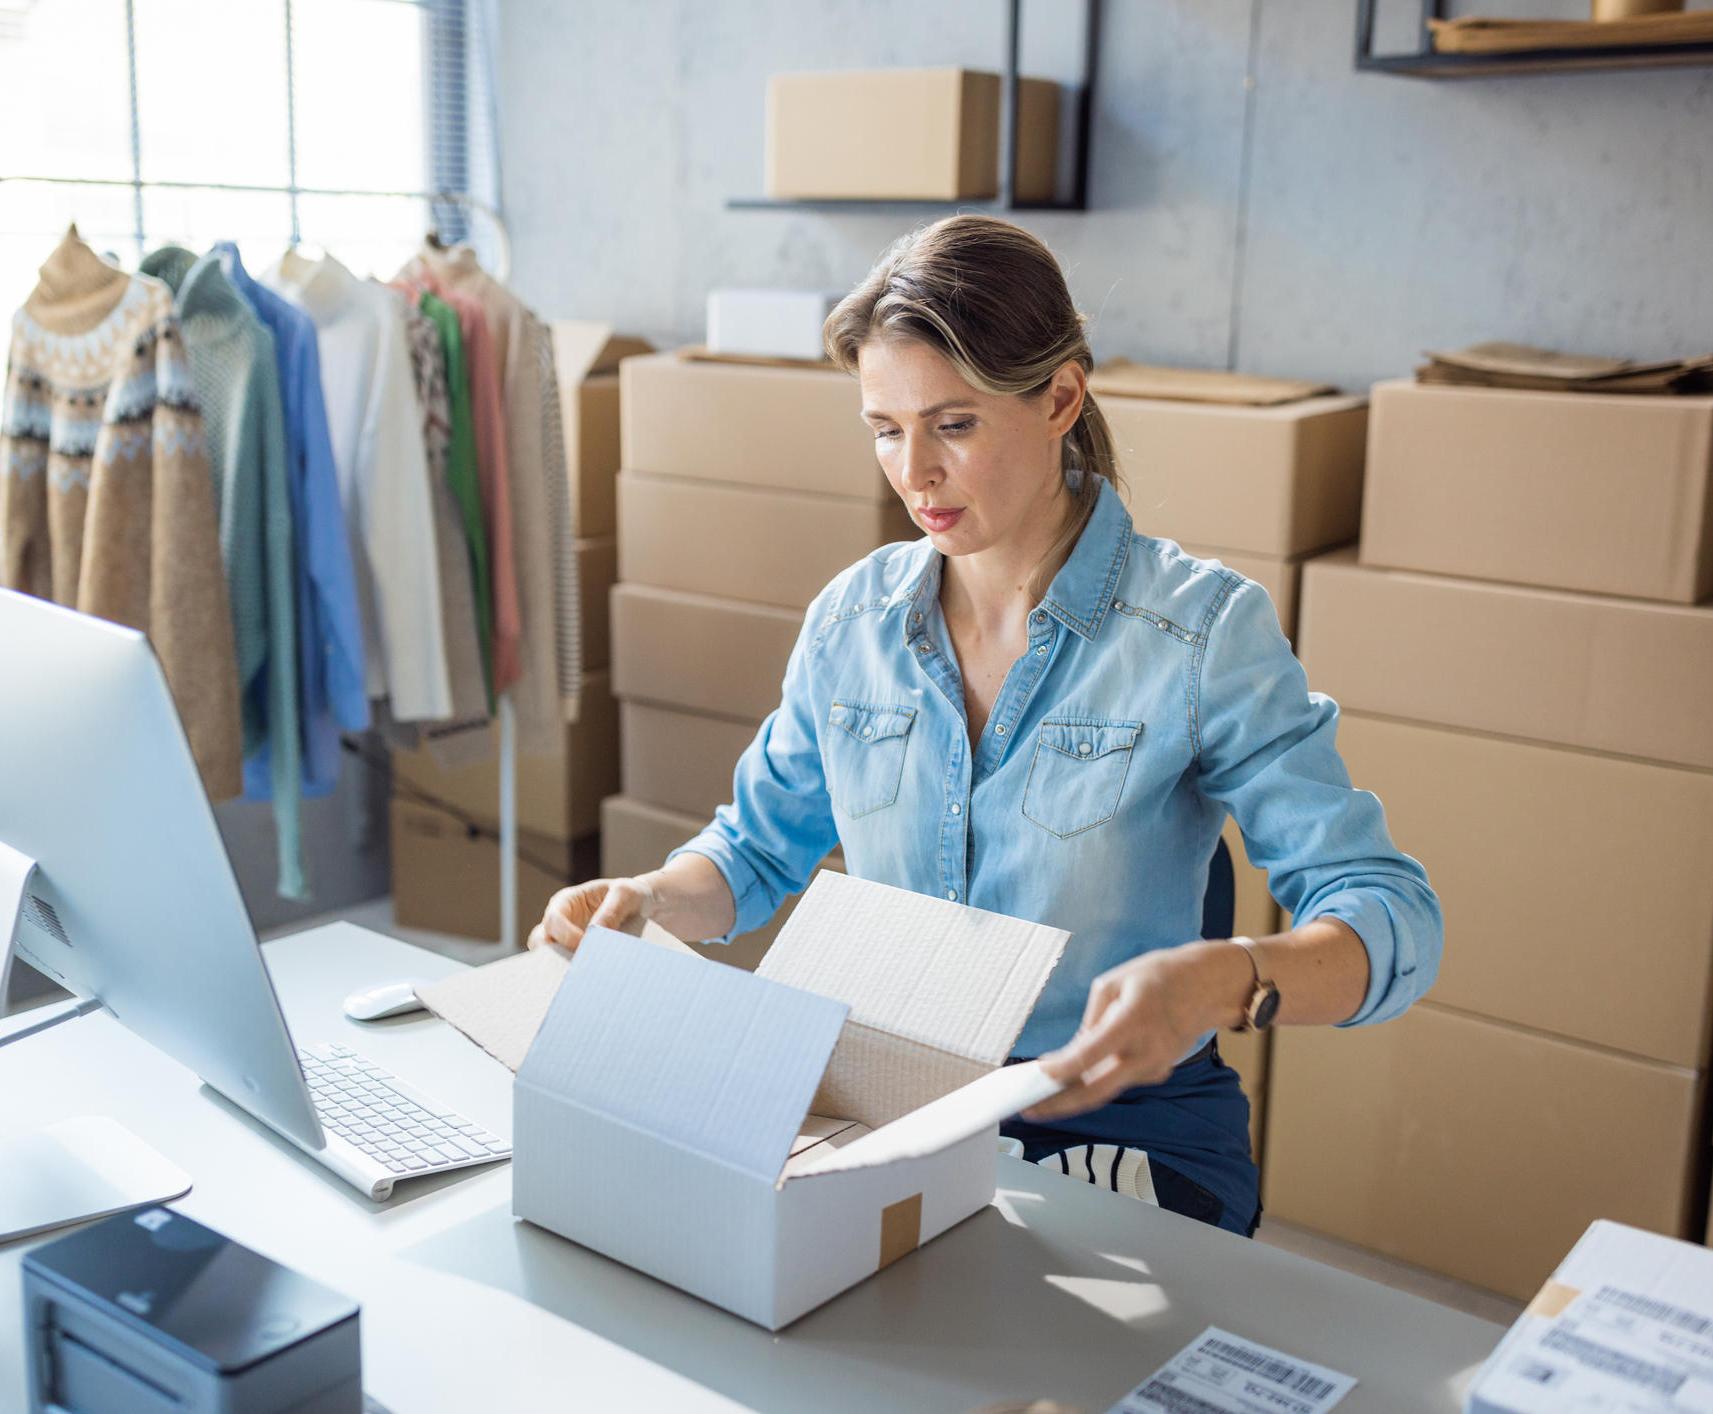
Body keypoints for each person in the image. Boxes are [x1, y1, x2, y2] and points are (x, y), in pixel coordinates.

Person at [528, 215, 1441, 1236]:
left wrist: (1221, 980)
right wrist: (642, 898)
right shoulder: (851, 622)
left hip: (1114, 1121)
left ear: (1059, 397)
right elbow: (749, 854)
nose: (912, 473)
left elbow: (1389, 918)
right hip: (888, 1103)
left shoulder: (1198, 633)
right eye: (883, 427)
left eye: (952, 424)